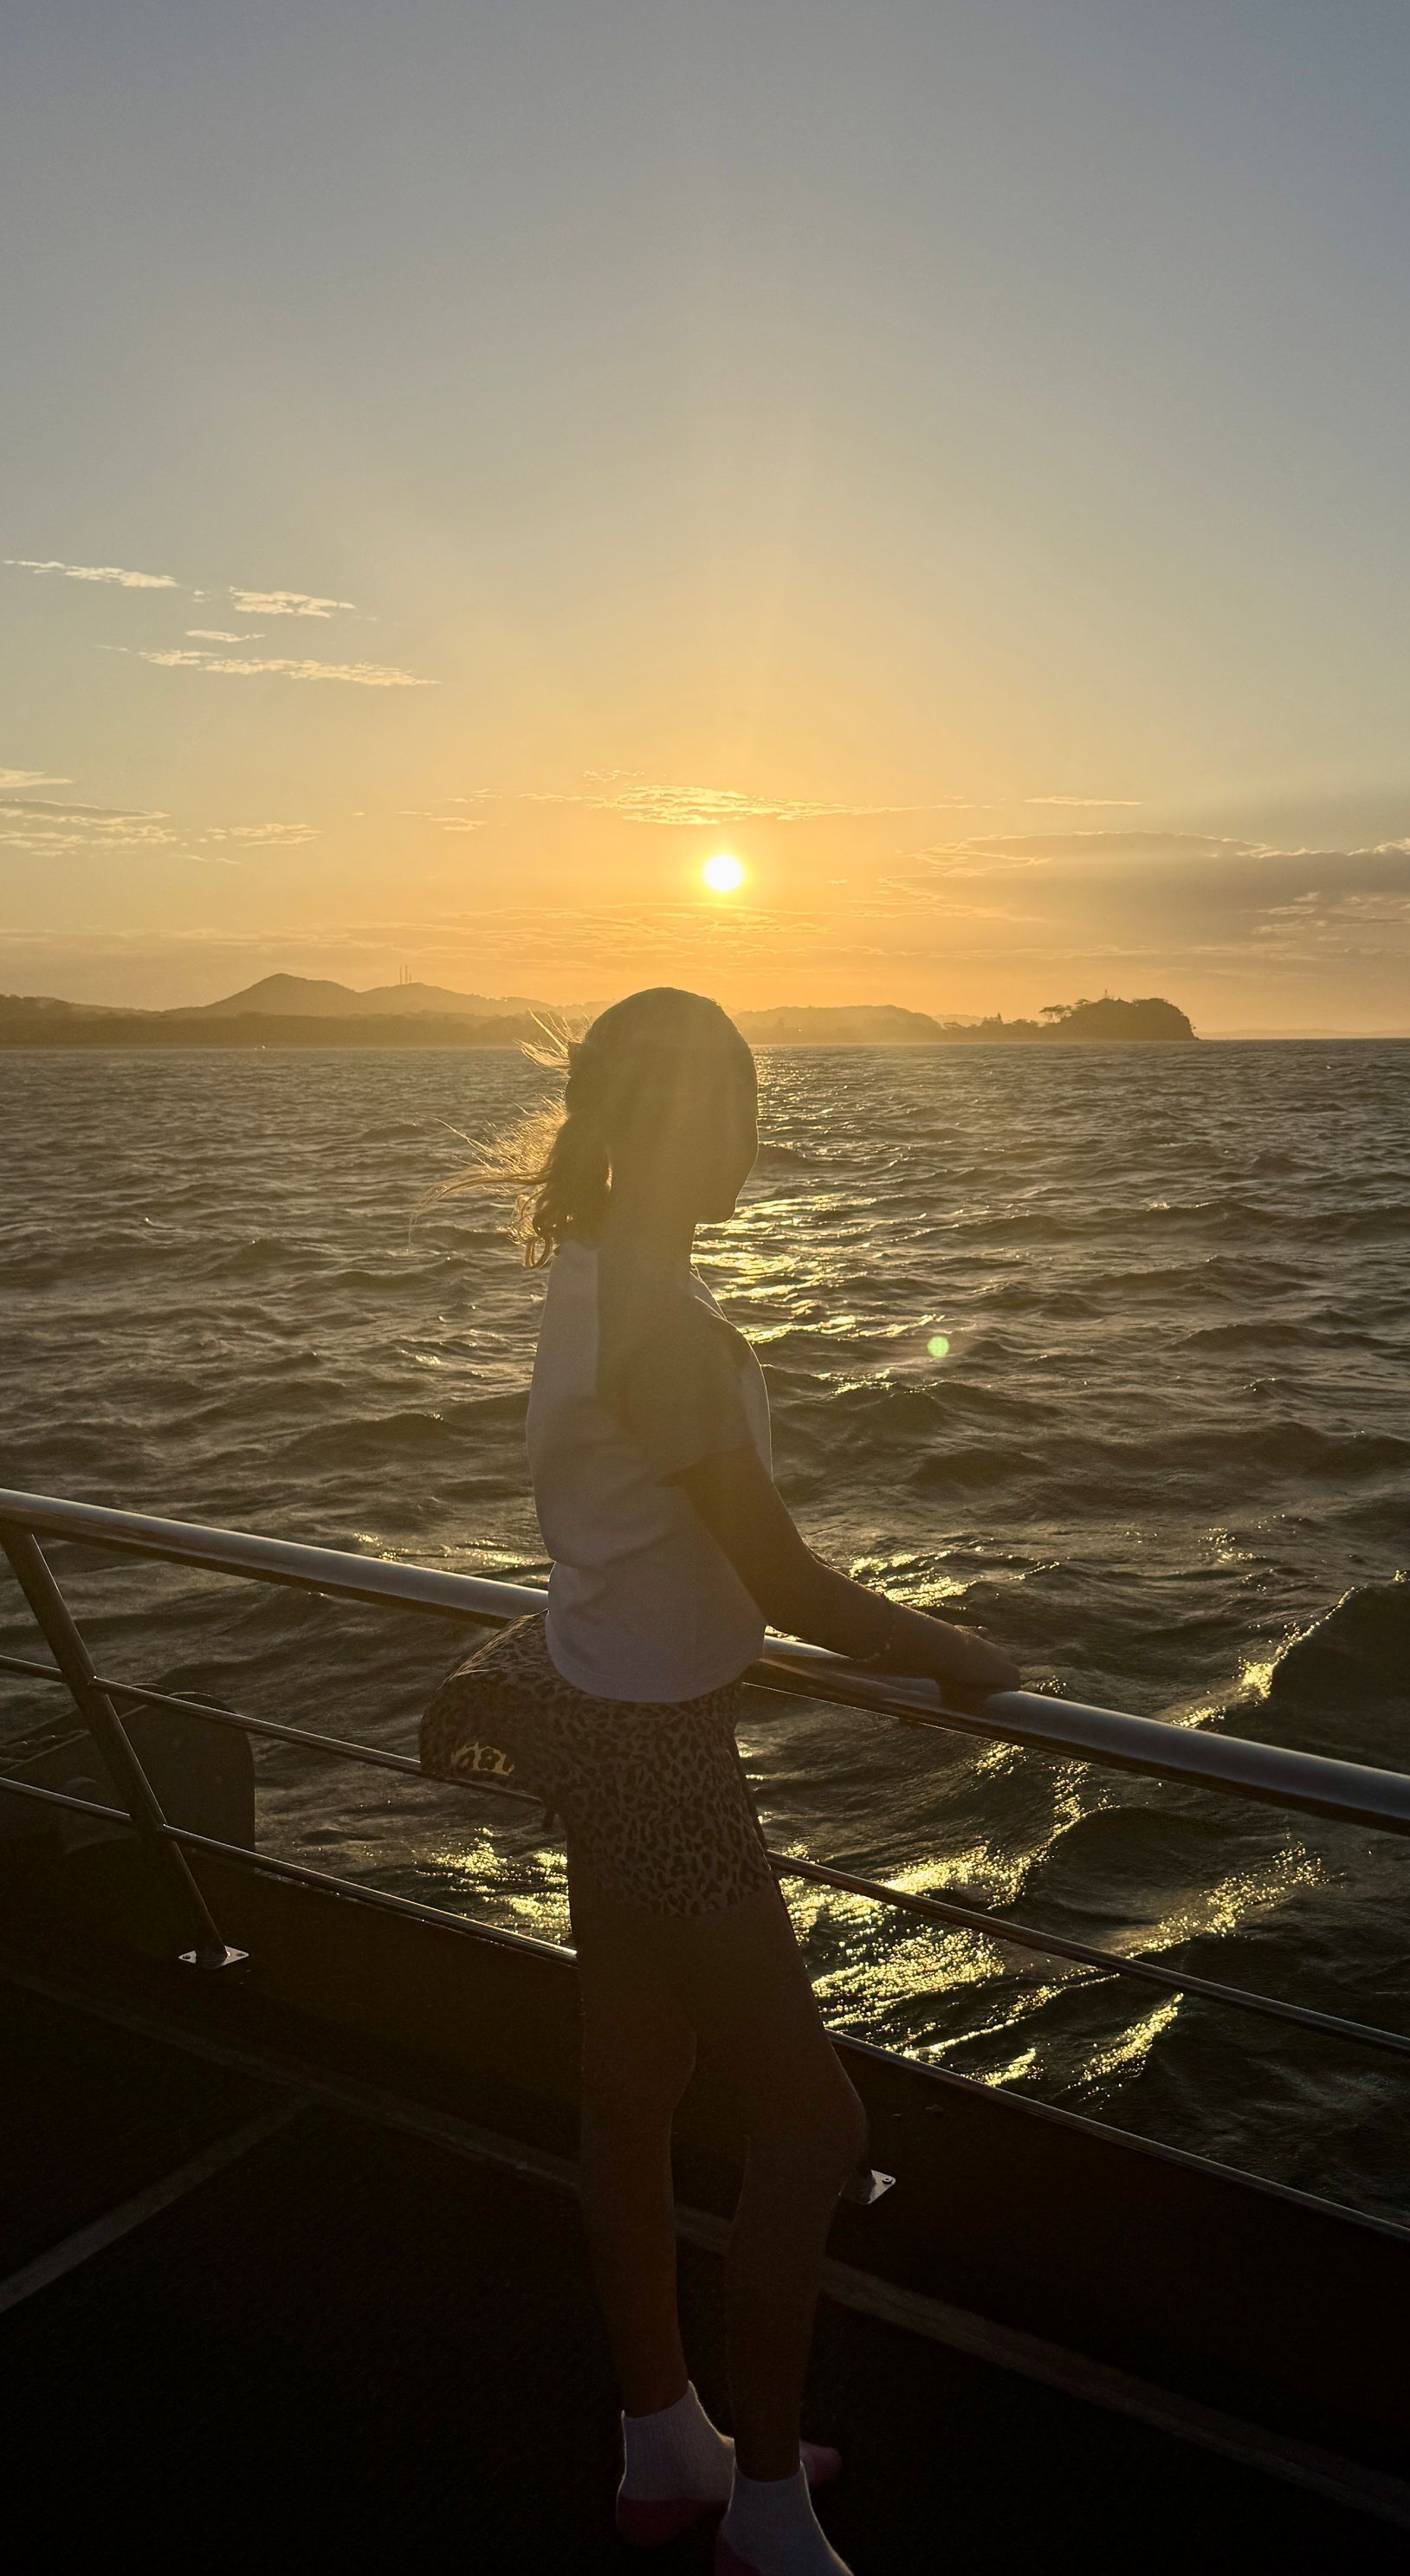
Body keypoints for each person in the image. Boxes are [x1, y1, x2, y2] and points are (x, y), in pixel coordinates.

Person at [423, 987, 1018, 2576]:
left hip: (598, 1707)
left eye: (744, 1100)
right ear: (628, 1130)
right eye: (706, 1107)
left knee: (632, 2088)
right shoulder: (669, 1333)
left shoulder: (595, 1273)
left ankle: (657, 2439)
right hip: (658, 1749)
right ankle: (763, 2503)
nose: (735, 1135)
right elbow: (787, 1582)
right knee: (814, 2125)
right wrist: (963, 1648)